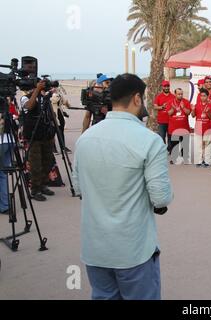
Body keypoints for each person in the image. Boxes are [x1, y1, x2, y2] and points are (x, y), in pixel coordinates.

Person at [73, 73, 173, 300]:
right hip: (133, 250)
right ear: (137, 99)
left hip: (95, 248)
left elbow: (79, 189)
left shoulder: (85, 139)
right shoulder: (149, 140)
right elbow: (161, 198)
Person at [20, 80, 56, 201]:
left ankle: (43, 185)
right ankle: (35, 190)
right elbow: (30, 106)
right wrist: (37, 91)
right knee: (35, 164)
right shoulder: (24, 98)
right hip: (33, 136)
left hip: (46, 135)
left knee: (47, 161)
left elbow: (51, 115)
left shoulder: (44, 97)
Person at [167, 88, 191, 165]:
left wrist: (183, 107)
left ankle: (185, 158)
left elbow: (188, 113)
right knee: (174, 145)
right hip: (174, 128)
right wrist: (173, 109)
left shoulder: (186, 102)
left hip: (184, 128)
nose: (180, 95)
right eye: (179, 94)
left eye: (181, 94)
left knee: (185, 144)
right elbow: (169, 113)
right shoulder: (170, 102)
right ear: (175, 94)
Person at [192, 89, 211, 167]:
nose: (202, 97)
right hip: (198, 126)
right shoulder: (197, 105)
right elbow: (193, 115)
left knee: (207, 145)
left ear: (207, 96)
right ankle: (199, 161)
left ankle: (207, 161)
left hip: (207, 127)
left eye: (204, 96)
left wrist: (208, 112)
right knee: (198, 145)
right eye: (201, 96)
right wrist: (192, 110)